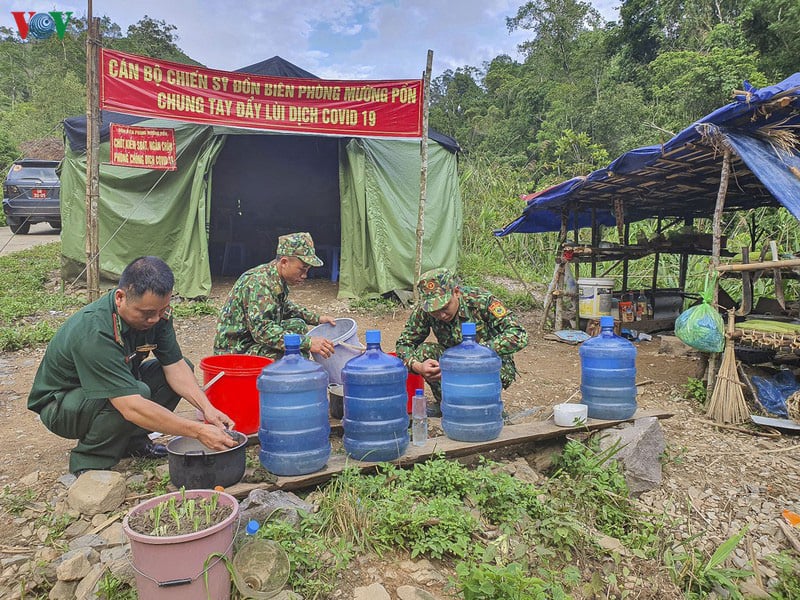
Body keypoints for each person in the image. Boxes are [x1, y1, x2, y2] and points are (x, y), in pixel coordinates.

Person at [27, 256, 238, 476]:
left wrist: (207, 409)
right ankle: (90, 462)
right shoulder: (95, 330)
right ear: (120, 298)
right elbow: (130, 405)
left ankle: (133, 442)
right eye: (147, 313)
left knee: (175, 370)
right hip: (62, 405)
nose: (155, 319)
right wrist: (197, 431)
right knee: (136, 393)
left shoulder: (157, 313)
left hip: (109, 389)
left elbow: (175, 366)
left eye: (162, 310)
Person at [395, 268, 529, 416]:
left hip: (488, 363)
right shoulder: (425, 310)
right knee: (425, 352)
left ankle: (486, 410)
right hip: (452, 364)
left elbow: (518, 334)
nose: (441, 314)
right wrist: (418, 366)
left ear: (456, 292)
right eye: (434, 311)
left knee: (479, 405)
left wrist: (478, 352)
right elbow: (404, 344)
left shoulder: (481, 301)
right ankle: (448, 405)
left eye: (445, 307)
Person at [214, 231, 337, 359]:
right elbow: (263, 331)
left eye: (307, 270)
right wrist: (308, 342)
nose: (304, 276)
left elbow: (283, 306)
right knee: (292, 352)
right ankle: (296, 374)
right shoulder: (260, 283)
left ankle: (299, 370)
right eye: (302, 269)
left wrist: (317, 318)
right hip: (235, 351)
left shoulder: (274, 276)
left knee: (298, 326)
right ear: (284, 262)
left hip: (251, 340)